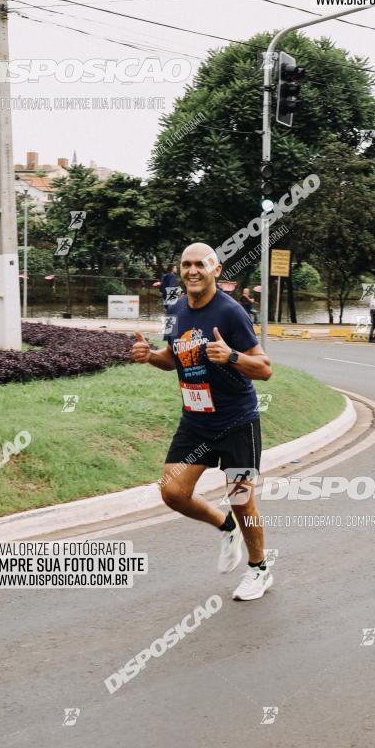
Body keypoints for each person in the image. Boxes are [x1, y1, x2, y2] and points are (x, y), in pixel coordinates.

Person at [132, 242, 274, 601]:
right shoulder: (175, 309)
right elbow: (171, 357)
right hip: (196, 421)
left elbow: (265, 369)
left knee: (241, 498)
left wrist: (232, 356)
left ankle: (259, 569)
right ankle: (225, 527)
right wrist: (149, 356)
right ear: (180, 271)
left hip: (236, 419)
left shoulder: (231, 312)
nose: (192, 271)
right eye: (186, 265)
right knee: (173, 492)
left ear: (216, 269)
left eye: (200, 264)